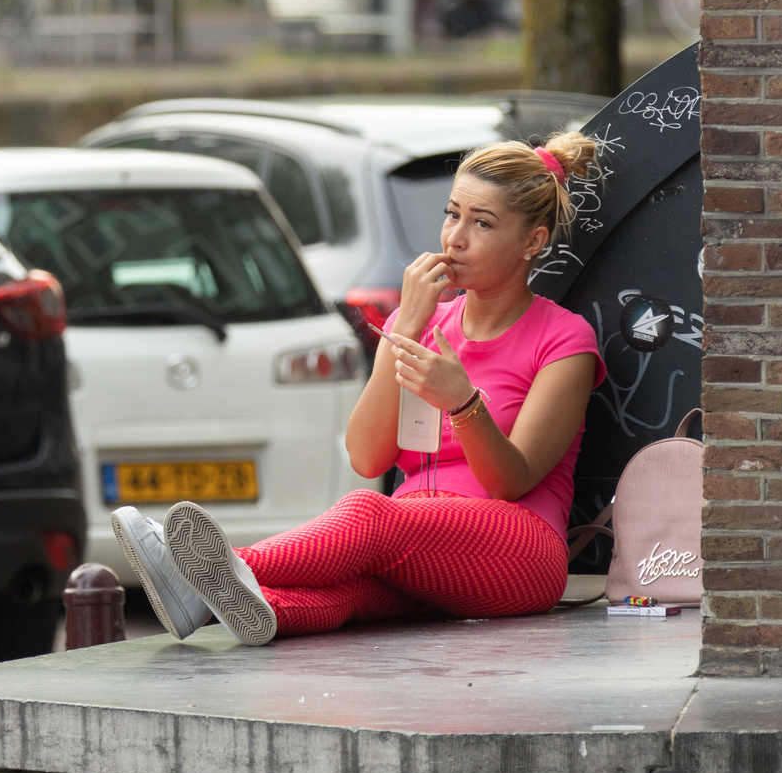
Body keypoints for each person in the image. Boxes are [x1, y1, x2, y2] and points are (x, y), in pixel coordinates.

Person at [114, 132, 606, 645]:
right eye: (451, 213)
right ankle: (237, 608)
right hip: (410, 551)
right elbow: (367, 456)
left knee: (368, 512)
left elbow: (512, 481)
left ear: (533, 241)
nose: (455, 237)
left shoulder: (564, 339)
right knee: (350, 593)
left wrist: (462, 402)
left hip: (517, 551)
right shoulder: (416, 322)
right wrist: (407, 325)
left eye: (481, 223)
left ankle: (202, 572)